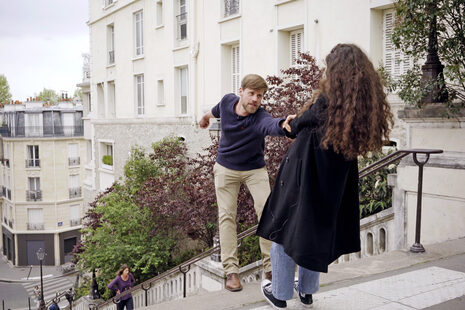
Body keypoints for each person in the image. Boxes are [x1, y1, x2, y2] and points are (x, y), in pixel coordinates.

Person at [256, 43, 393, 309]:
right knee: (314, 230)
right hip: (334, 180)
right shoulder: (359, 109)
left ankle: (281, 294)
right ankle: (306, 292)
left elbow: (294, 126)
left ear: (336, 72)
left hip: (304, 175)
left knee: (284, 228)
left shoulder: (324, 103)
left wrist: (288, 123)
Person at [199, 74, 294, 292]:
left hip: (254, 170)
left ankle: (271, 268)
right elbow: (215, 110)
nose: (255, 99)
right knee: (226, 216)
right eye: (251, 93)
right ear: (241, 91)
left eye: (259, 96)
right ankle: (231, 272)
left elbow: (271, 124)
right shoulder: (226, 101)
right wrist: (205, 117)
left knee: (267, 212)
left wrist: (284, 125)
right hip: (225, 169)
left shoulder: (259, 116)